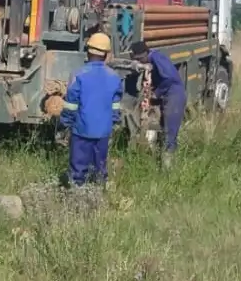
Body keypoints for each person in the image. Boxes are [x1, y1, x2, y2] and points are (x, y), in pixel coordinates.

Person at [59, 32, 123, 186]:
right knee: (99, 169)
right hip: (103, 132)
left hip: (82, 131)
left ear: (88, 52)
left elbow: (71, 105)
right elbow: (116, 107)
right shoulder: (114, 77)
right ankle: (98, 198)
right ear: (106, 54)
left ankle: (77, 198)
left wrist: (65, 124)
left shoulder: (78, 75)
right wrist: (113, 122)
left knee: (78, 170)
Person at [131, 40, 186, 168]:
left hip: (174, 96)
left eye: (140, 60)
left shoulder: (157, 58)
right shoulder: (154, 58)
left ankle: (168, 166)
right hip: (169, 95)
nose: (141, 63)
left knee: (170, 130)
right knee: (164, 128)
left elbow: (169, 78)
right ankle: (163, 160)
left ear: (143, 55)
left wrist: (156, 93)